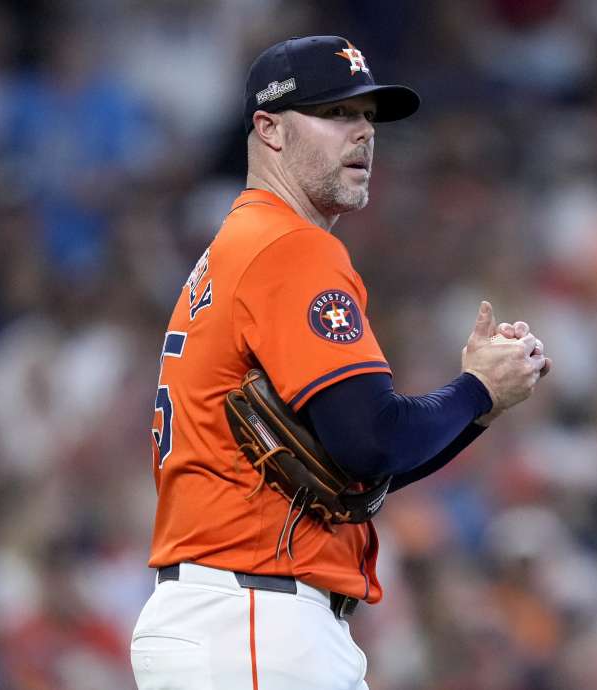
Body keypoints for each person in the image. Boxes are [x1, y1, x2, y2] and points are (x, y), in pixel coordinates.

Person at [129, 35, 551, 690]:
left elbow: (352, 473)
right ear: (268, 129)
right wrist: (473, 392)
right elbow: (371, 441)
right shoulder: (290, 248)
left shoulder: (239, 246)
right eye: (334, 114)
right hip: (253, 620)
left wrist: (480, 403)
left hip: (231, 617)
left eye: (367, 117)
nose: (362, 134)